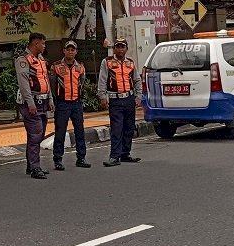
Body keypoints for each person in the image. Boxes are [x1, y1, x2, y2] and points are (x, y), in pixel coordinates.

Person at [97, 37, 143, 167]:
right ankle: (114, 156)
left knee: (129, 128)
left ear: (126, 49)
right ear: (114, 49)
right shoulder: (107, 62)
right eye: (118, 47)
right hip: (115, 99)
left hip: (129, 99)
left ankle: (125, 154)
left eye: (122, 47)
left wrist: (138, 96)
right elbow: (102, 79)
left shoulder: (130, 63)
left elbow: (137, 80)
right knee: (117, 128)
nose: (120, 49)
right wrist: (102, 96)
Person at [14, 32, 54, 179]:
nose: (44, 46)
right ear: (35, 43)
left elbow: (46, 81)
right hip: (32, 103)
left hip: (43, 101)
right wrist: (30, 103)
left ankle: (31, 165)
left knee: (39, 134)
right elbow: (24, 84)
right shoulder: (23, 60)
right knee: (35, 134)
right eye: (42, 44)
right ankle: (35, 167)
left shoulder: (41, 60)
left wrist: (50, 99)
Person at [49, 40, 91, 170]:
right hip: (62, 104)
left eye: (73, 50)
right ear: (64, 51)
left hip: (77, 103)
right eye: (68, 49)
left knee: (80, 131)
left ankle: (81, 158)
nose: (70, 52)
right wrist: (54, 100)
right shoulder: (56, 66)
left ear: (76, 52)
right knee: (60, 132)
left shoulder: (80, 67)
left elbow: (82, 82)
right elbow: (52, 84)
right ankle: (58, 159)